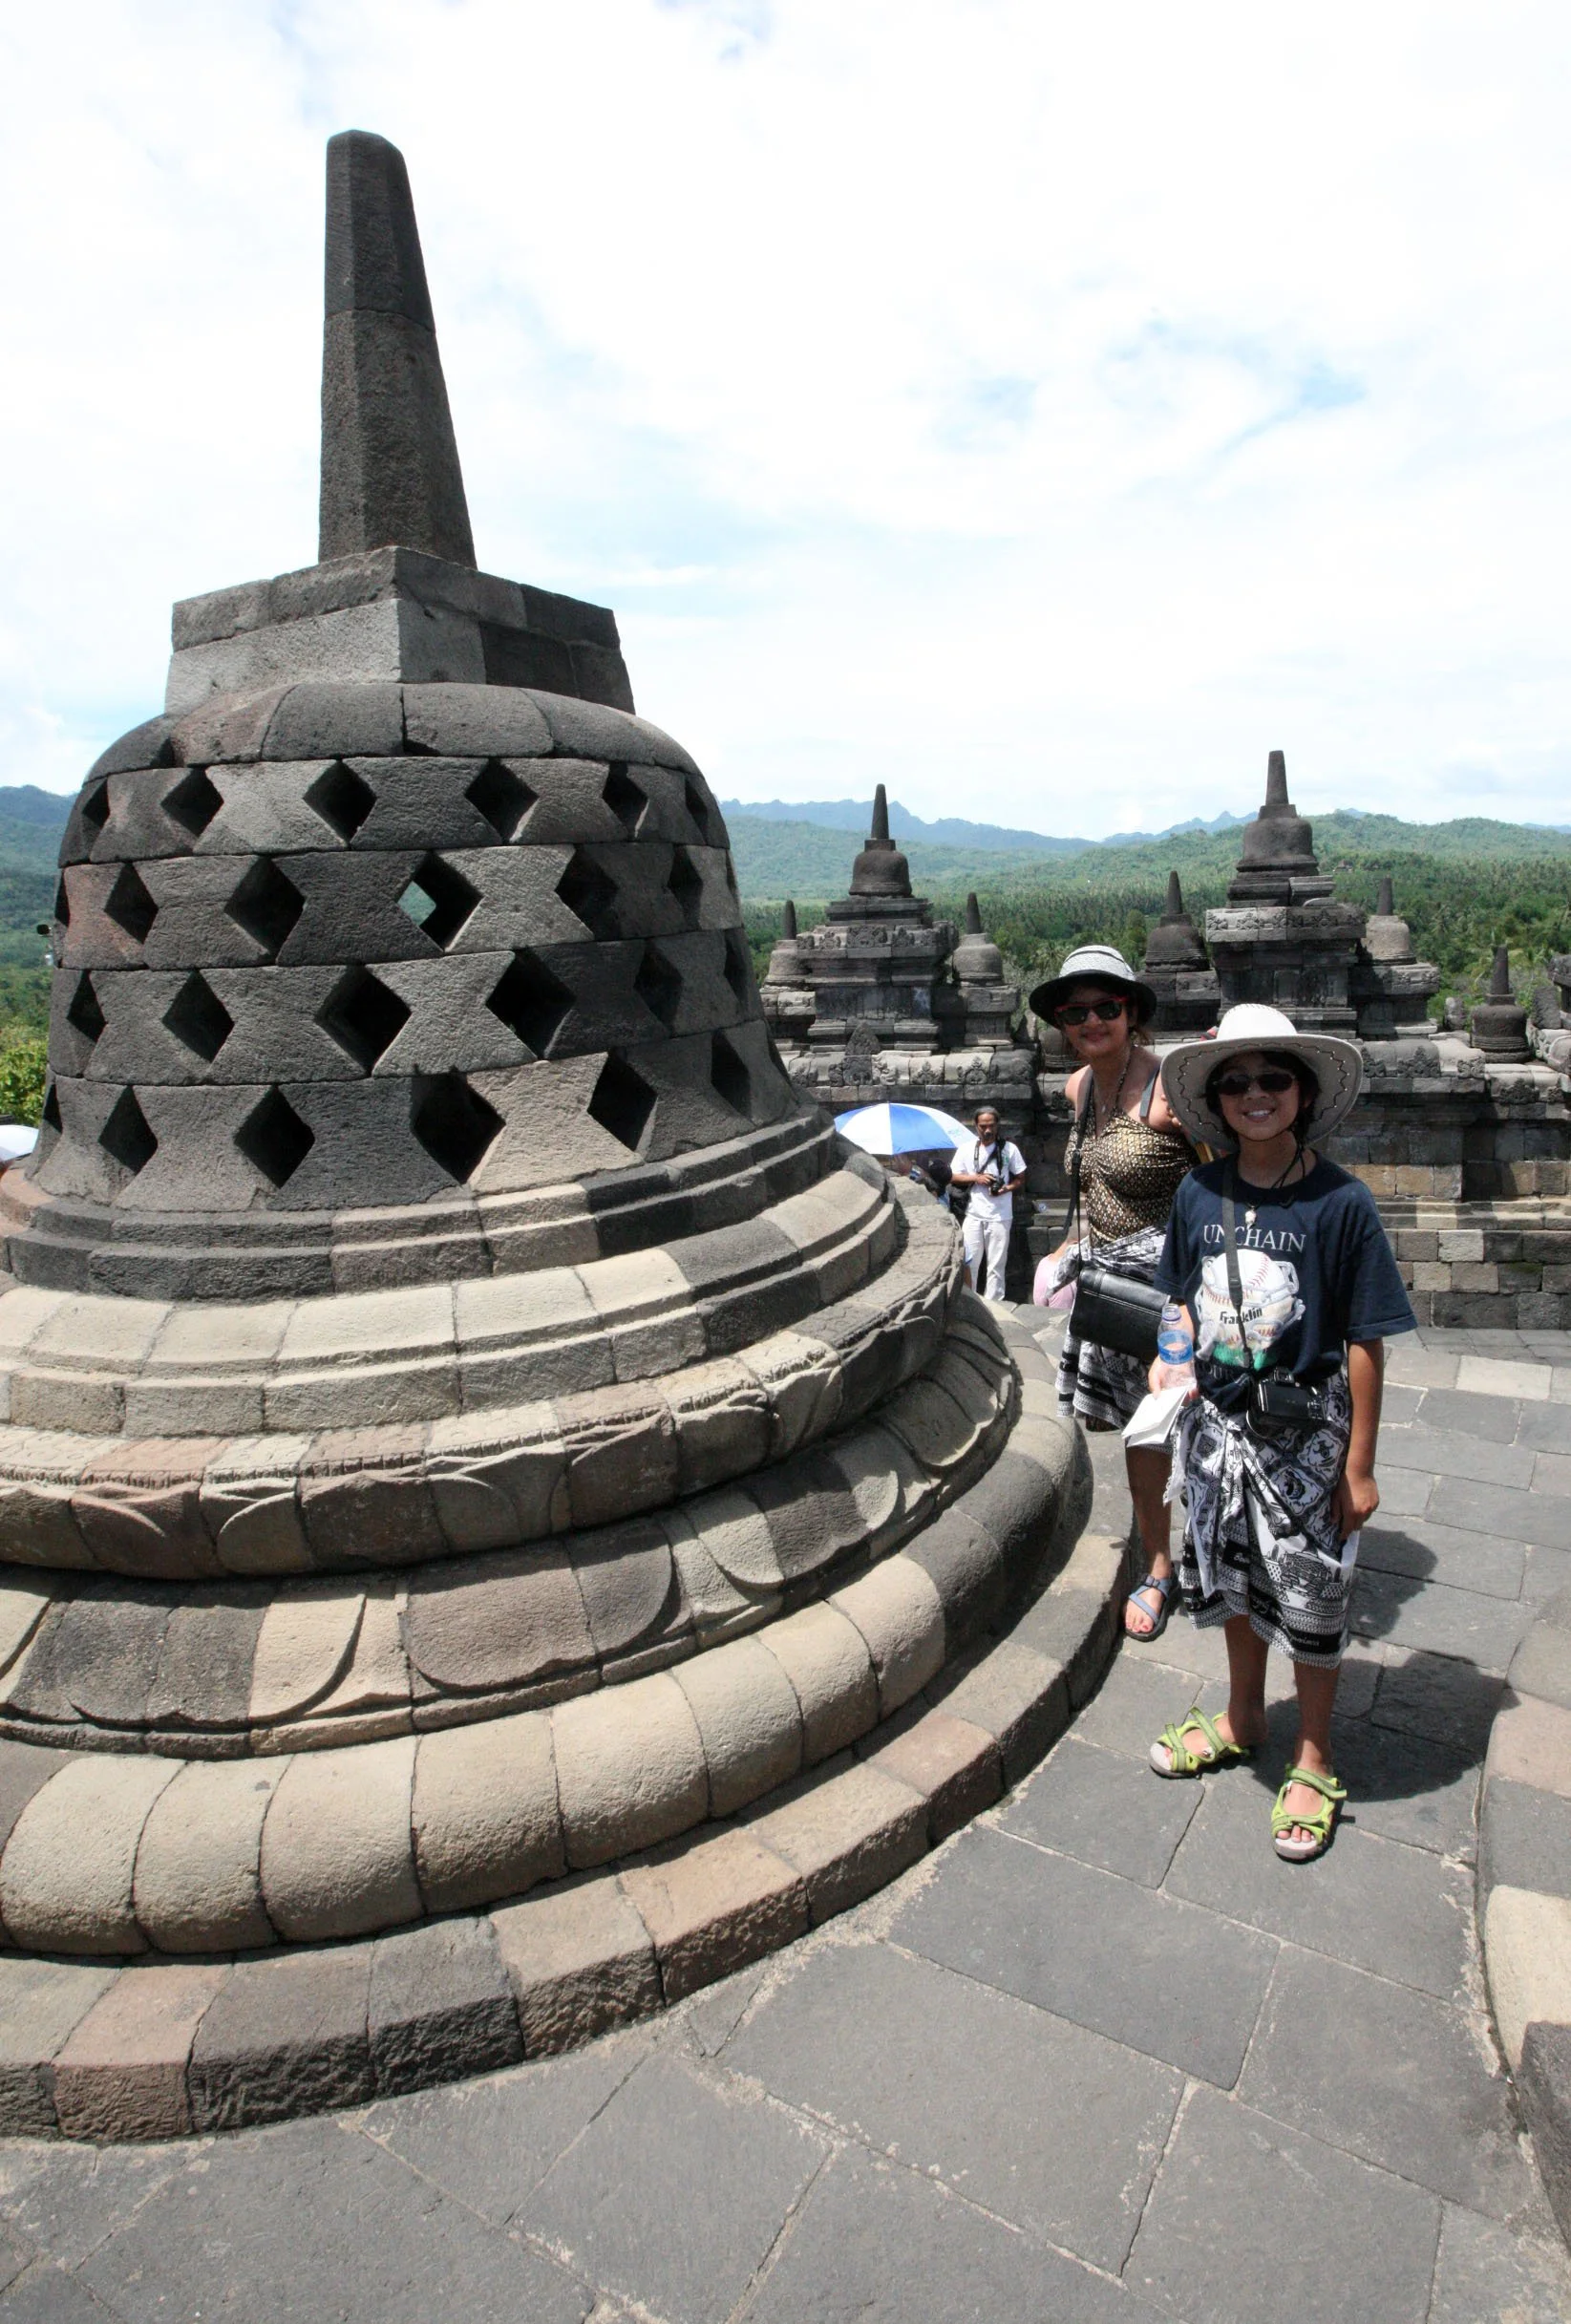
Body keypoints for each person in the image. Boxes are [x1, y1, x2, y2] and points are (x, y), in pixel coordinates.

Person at [1145, 1003, 1416, 1861]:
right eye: (1235, 1082)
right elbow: (1179, 1296)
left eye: (1272, 1078)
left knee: (1312, 1596)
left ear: (1301, 1092)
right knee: (1230, 1580)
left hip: (1305, 1434)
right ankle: (1241, 1715)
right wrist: (1169, 1356)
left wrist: (1359, 1466)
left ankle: (1313, 1754)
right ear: (1216, 1101)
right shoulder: (1198, 1191)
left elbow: (1364, 1339)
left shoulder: (1339, 1202)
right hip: (1217, 1424)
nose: (1254, 1094)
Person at [1030, 945, 1197, 1643]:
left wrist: (1192, 1305)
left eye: (1107, 1007)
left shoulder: (1169, 1090)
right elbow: (1093, 1183)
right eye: (1077, 1013)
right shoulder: (1078, 1088)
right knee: (1138, 1433)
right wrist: (1069, 1244)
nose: (1091, 1021)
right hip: (1108, 1289)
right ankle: (1158, 1565)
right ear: (1062, 1025)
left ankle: (1214, 1552)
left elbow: (1219, 1191)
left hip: (1171, 1290)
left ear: (1132, 1014)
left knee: (1193, 1429)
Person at [949, 1106, 1026, 1304]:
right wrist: (976, 1178)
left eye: (991, 1126)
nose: (988, 1130)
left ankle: (995, 1305)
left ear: (997, 1126)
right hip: (973, 1213)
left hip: (1000, 1215)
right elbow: (953, 1176)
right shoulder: (966, 1149)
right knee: (969, 1262)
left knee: (996, 1265)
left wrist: (1006, 1188)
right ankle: (970, 1302)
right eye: (983, 1126)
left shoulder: (1009, 1149)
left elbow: (1020, 1178)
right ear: (976, 1126)